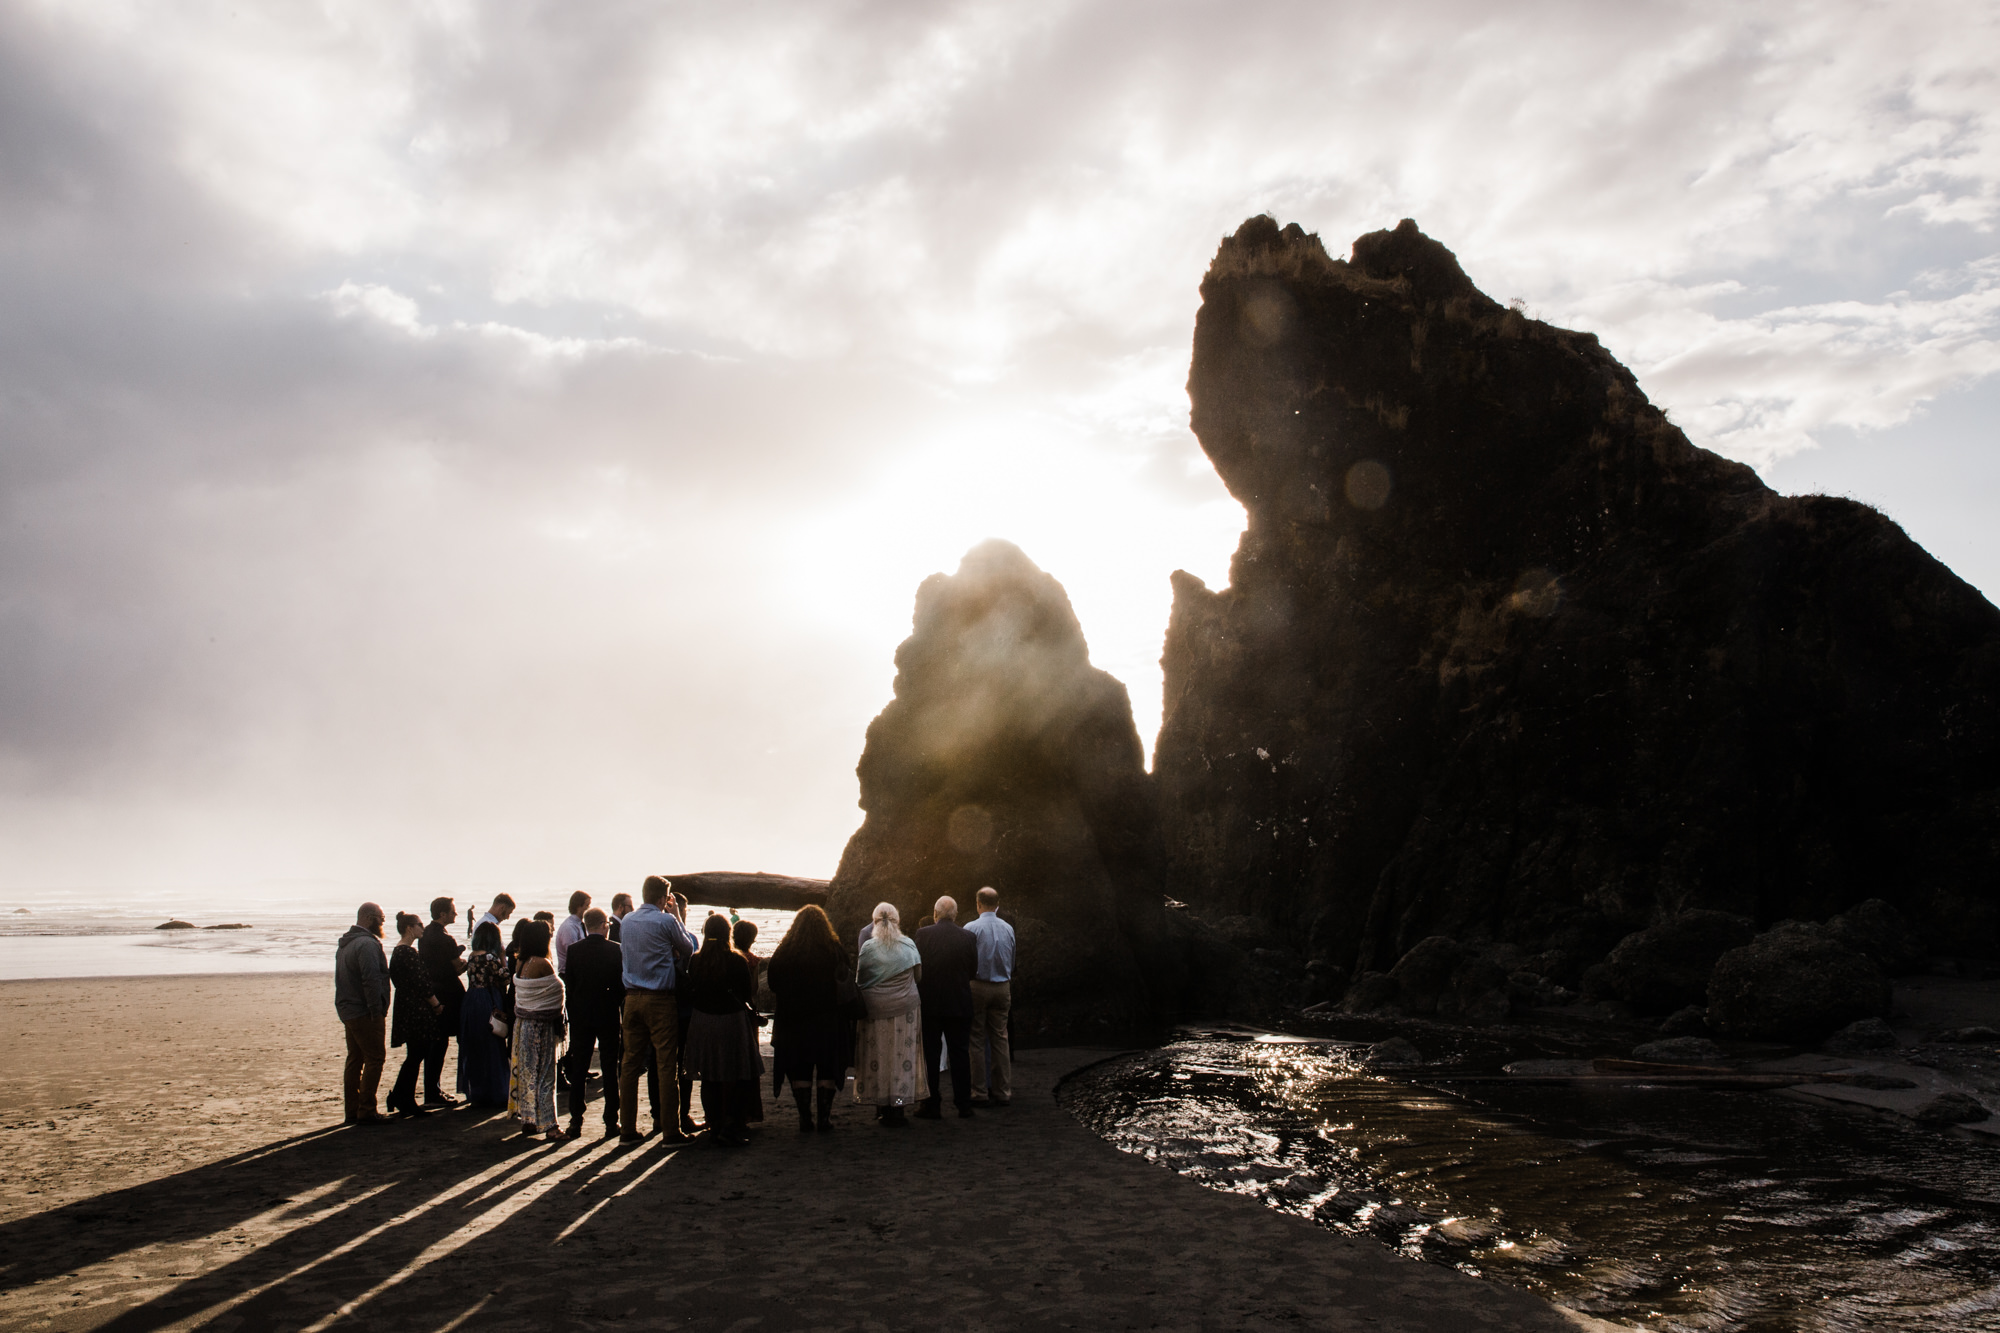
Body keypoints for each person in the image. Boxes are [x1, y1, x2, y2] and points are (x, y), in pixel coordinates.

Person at [617, 875, 698, 1143]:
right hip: (660, 998)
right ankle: (670, 1130)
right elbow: (688, 949)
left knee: (630, 1064)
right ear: (663, 899)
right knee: (666, 1064)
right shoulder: (666, 920)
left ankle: (627, 1129)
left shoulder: (627, 921)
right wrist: (675, 914)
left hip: (631, 998)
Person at [767, 904, 852, 1131]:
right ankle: (824, 1119)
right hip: (827, 1021)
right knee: (827, 1069)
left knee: (799, 1069)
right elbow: (846, 979)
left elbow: (773, 983)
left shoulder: (785, 951)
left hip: (794, 1022)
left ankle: (805, 1118)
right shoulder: (834, 950)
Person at [681, 915, 764, 1146]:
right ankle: (730, 1124)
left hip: (703, 1021)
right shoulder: (736, 961)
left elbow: (692, 990)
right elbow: (746, 994)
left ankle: (713, 1122)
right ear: (728, 933)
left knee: (709, 1075)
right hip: (731, 1021)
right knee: (734, 1074)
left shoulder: (696, 960)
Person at [854, 901, 927, 1126]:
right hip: (906, 1009)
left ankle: (882, 1106)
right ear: (897, 922)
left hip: (876, 1010)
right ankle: (899, 1107)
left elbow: (860, 981)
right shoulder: (909, 945)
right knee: (902, 1057)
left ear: (874, 922)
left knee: (879, 1057)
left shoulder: (868, 948)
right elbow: (918, 977)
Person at [915, 895, 979, 1120]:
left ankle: (932, 1105)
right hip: (959, 1002)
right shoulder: (969, 937)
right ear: (955, 915)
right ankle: (964, 1105)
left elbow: (918, 968)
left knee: (930, 1056)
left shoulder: (922, 935)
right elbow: (973, 971)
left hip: (930, 1004)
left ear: (935, 914)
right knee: (960, 1054)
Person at [564, 908, 625, 1139]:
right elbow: (621, 985)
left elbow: (569, 982)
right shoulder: (615, 950)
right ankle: (611, 1120)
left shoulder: (574, 951)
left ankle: (575, 1120)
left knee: (579, 1067)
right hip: (608, 1014)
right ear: (604, 925)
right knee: (610, 1068)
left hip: (581, 1015)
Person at [334, 903, 392, 1126]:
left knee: (355, 1059)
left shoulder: (346, 944)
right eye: (381, 918)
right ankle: (366, 1109)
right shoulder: (366, 944)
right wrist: (376, 1009)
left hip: (348, 1009)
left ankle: (353, 1110)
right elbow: (371, 979)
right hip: (364, 1011)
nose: (383, 922)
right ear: (369, 918)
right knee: (375, 1058)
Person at [507, 920, 565, 1142]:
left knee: (528, 1072)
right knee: (546, 1074)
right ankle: (550, 1126)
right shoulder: (543, 963)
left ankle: (529, 1120)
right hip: (542, 1026)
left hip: (523, 1024)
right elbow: (557, 991)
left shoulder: (520, 962)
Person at [386, 912, 442, 1118]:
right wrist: (435, 1004)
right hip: (415, 1008)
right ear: (409, 927)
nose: (423, 928)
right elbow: (421, 983)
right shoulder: (407, 952)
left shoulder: (398, 951)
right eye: (419, 925)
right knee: (417, 1053)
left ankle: (401, 1096)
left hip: (406, 1005)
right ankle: (404, 1098)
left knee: (416, 1053)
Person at [965, 886, 1016, 1107]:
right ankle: (1003, 1090)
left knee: (976, 1038)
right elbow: (1012, 960)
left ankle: (979, 1091)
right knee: (1000, 1038)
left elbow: (966, 961)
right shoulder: (1008, 929)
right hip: (1002, 986)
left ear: (978, 904)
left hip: (977, 986)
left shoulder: (970, 928)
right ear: (997, 905)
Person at [419, 896, 466, 1107]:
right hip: (447, 992)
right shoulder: (446, 939)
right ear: (443, 914)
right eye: (452, 911)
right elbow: (456, 967)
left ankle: (432, 1089)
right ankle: (433, 1092)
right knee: (441, 1042)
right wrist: (467, 962)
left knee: (434, 1042)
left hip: (431, 990)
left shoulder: (425, 934)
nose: (456, 914)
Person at [458, 921, 512, 1106]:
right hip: (487, 1000)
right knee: (493, 1044)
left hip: (471, 999)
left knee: (476, 1046)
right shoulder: (490, 957)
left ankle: (478, 1091)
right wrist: (504, 958)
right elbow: (505, 978)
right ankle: (497, 1091)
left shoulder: (472, 956)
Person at [732, 918, 768, 1125]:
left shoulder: (728, 957)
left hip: (729, 1013)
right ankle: (748, 1112)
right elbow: (753, 991)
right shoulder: (753, 961)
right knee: (748, 1062)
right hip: (747, 1016)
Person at [555, 891, 591, 975]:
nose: (589, 908)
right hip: (569, 974)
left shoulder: (580, 924)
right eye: (587, 905)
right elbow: (573, 954)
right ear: (579, 906)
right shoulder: (569, 927)